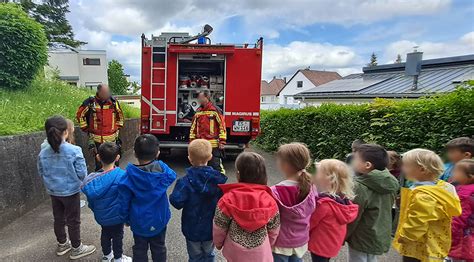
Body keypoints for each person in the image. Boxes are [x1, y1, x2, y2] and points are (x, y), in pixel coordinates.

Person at [37, 115, 96, 260]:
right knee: (73, 220)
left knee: (58, 218)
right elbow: (82, 173)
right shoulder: (74, 150)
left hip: (53, 191)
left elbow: (41, 172)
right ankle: (77, 248)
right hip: (70, 192)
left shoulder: (43, 152)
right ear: (66, 132)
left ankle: (62, 244)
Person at [393, 149, 462, 262]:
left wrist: (405, 237)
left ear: (422, 169)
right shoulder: (444, 187)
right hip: (435, 243)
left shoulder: (424, 196)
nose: (402, 169)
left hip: (419, 247)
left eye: (406, 166)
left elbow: (417, 221)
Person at [118, 134, 176, 262]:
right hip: (159, 219)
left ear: (135, 153)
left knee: (139, 248)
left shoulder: (128, 177)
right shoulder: (162, 172)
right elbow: (172, 175)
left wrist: (126, 219)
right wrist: (159, 162)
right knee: (159, 247)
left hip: (138, 220)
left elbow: (124, 202)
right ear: (157, 153)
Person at [213, 152, 280, 262]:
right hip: (261, 252)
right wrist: (270, 244)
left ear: (238, 174)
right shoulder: (269, 200)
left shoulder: (227, 199)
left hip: (234, 253)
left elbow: (219, 226)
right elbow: (274, 228)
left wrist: (218, 243)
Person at [169, 139, 228, 262]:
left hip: (191, 227)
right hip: (211, 227)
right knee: (209, 253)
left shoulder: (184, 182)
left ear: (190, 159)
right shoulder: (218, 181)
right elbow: (224, 204)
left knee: (194, 256)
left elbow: (176, 201)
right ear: (210, 157)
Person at [346, 144, 399, 262]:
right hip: (379, 232)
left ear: (367, 165)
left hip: (361, 235)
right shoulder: (390, 181)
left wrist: (344, 235)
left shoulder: (360, 186)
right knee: (371, 258)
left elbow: (354, 215)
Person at [81, 142, 131, 262]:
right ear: (117, 157)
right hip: (117, 216)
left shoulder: (91, 180)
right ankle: (118, 258)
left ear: (98, 157)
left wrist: (96, 210)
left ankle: (107, 256)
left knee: (105, 234)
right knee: (118, 236)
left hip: (101, 216)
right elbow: (126, 199)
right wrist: (127, 218)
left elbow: (91, 201)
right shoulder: (122, 176)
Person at [271, 143, 317, 262]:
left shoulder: (275, 191)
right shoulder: (311, 187)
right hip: (300, 242)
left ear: (285, 165)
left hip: (280, 243)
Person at [309, 159, 359, 262]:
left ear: (329, 179)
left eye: (318, 172)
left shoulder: (324, 204)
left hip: (320, 245)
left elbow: (310, 223)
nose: (314, 174)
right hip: (332, 244)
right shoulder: (344, 201)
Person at [76, 83, 124, 171]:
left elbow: (120, 116)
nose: (107, 94)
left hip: (112, 139)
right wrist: (86, 128)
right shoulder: (90, 103)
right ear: (98, 92)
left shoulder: (113, 102)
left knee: (115, 164)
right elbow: (80, 115)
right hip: (97, 140)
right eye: (104, 92)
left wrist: (117, 128)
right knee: (99, 164)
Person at [189, 90, 226, 174]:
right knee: (200, 167)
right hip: (200, 145)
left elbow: (222, 126)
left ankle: (219, 184)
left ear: (206, 97)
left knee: (216, 167)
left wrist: (222, 141)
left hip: (213, 145)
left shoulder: (215, 110)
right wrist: (192, 142)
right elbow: (193, 128)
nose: (198, 99)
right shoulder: (198, 112)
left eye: (200, 97)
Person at [448, 159, 474, 262]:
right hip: (469, 231)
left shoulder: (465, 194)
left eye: (457, 172)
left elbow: (460, 215)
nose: (453, 174)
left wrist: (450, 231)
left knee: (459, 256)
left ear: (470, 176)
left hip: (462, 234)